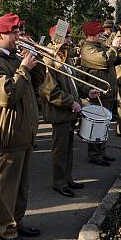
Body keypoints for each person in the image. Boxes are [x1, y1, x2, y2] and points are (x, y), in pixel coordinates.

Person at [0, 13, 45, 240]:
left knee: (22, 183)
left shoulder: (14, 58)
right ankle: (6, 228)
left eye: (18, 32)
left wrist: (36, 60)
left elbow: (36, 83)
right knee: (8, 185)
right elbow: (7, 95)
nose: (19, 36)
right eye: (14, 33)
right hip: (9, 130)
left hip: (23, 129)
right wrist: (24, 68)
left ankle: (18, 220)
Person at [40, 25, 99, 197]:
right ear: (56, 38)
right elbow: (51, 91)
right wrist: (71, 102)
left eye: (69, 36)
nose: (69, 39)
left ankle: (67, 178)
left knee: (68, 148)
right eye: (66, 36)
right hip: (60, 111)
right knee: (60, 150)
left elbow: (72, 82)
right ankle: (59, 182)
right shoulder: (49, 59)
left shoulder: (64, 57)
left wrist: (86, 92)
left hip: (70, 110)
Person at [79, 20, 121, 166]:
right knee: (97, 126)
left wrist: (120, 50)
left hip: (106, 92)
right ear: (91, 35)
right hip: (96, 92)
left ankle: (101, 151)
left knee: (104, 126)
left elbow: (113, 59)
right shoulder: (88, 49)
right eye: (98, 33)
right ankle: (95, 155)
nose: (101, 34)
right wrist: (114, 47)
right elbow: (104, 60)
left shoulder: (98, 45)